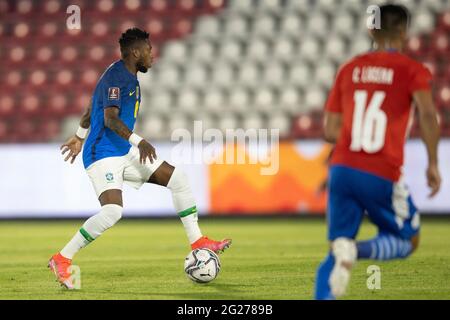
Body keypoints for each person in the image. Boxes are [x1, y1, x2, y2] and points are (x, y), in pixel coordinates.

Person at [49, 28, 231, 289]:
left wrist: (78, 135)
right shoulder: (116, 77)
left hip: (122, 150)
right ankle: (62, 259)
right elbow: (110, 118)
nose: (152, 54)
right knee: (112, 212)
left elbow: (92, 106)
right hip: (102, 153)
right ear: (135, 52)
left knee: (177, 178)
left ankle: (198, 241)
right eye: (148, 49)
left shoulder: (124, 75)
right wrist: (139, 141)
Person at [315, 4, 441, 299]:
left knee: (335, 251)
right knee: (408, 241)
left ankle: (341, 261)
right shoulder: (412, 71)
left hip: (342, 169)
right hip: (381, 171)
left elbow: (330, 131)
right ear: (404, 31)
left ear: (371, 29)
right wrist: (433, 163)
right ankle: (357, 250)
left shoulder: (349, 69)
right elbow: (427, 115)